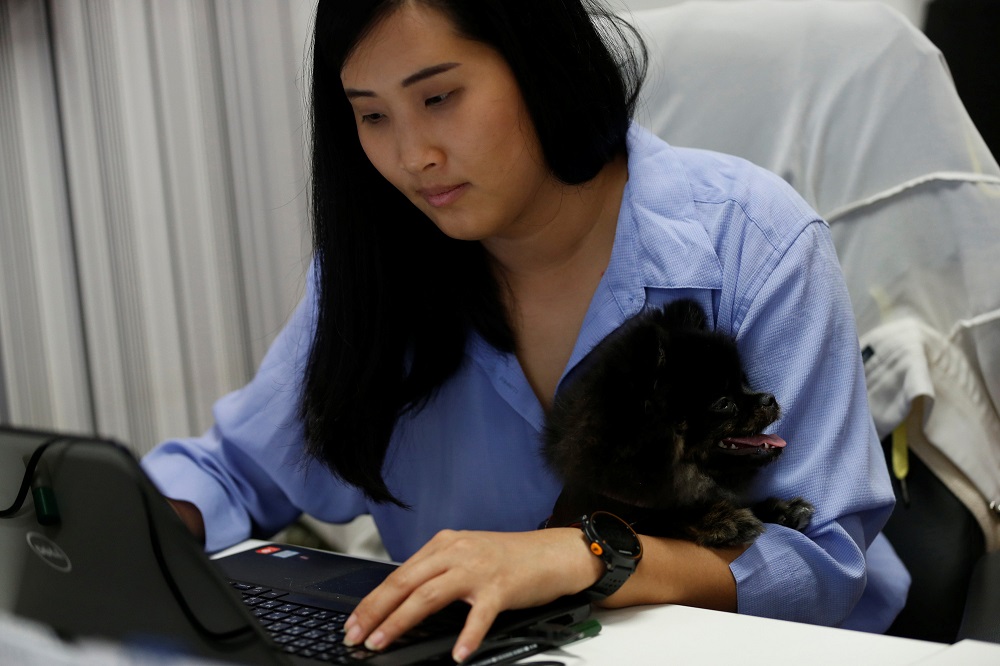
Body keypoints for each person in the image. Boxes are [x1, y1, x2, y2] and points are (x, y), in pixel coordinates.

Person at [141, 0, 909, 662]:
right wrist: (110, 536)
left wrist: (585, 557)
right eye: (372, 115)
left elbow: (822, 567)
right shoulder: (378, 277)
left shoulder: (754, 242)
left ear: (539, 64)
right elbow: (238, 472)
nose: (414, 157)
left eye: (439, 97)